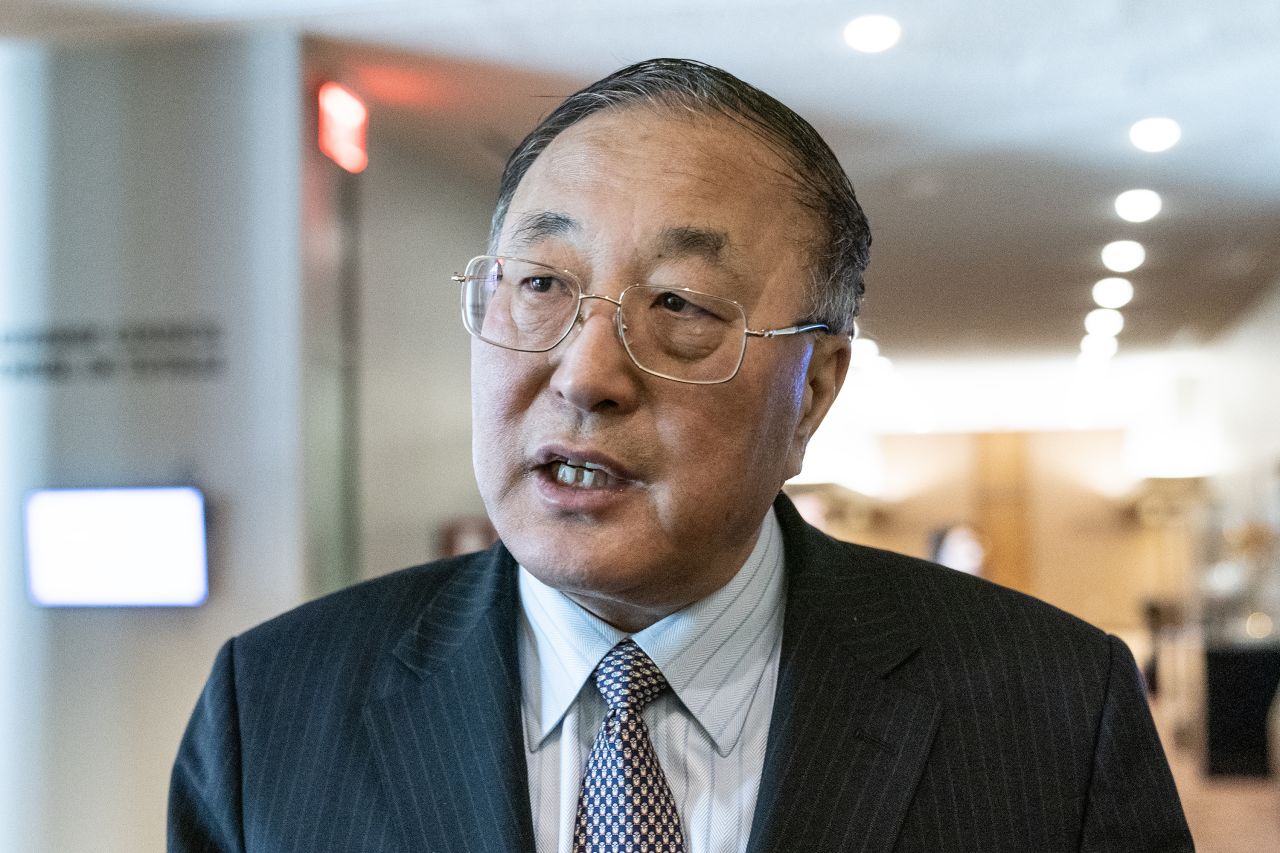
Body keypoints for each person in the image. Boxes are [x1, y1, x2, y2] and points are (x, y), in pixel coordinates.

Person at [169, 58, 1192, 852]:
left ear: (814, 392)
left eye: (679, 305)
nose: (584, 374)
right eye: (538, 285)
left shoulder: (1053, 709)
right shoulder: (272, 705)